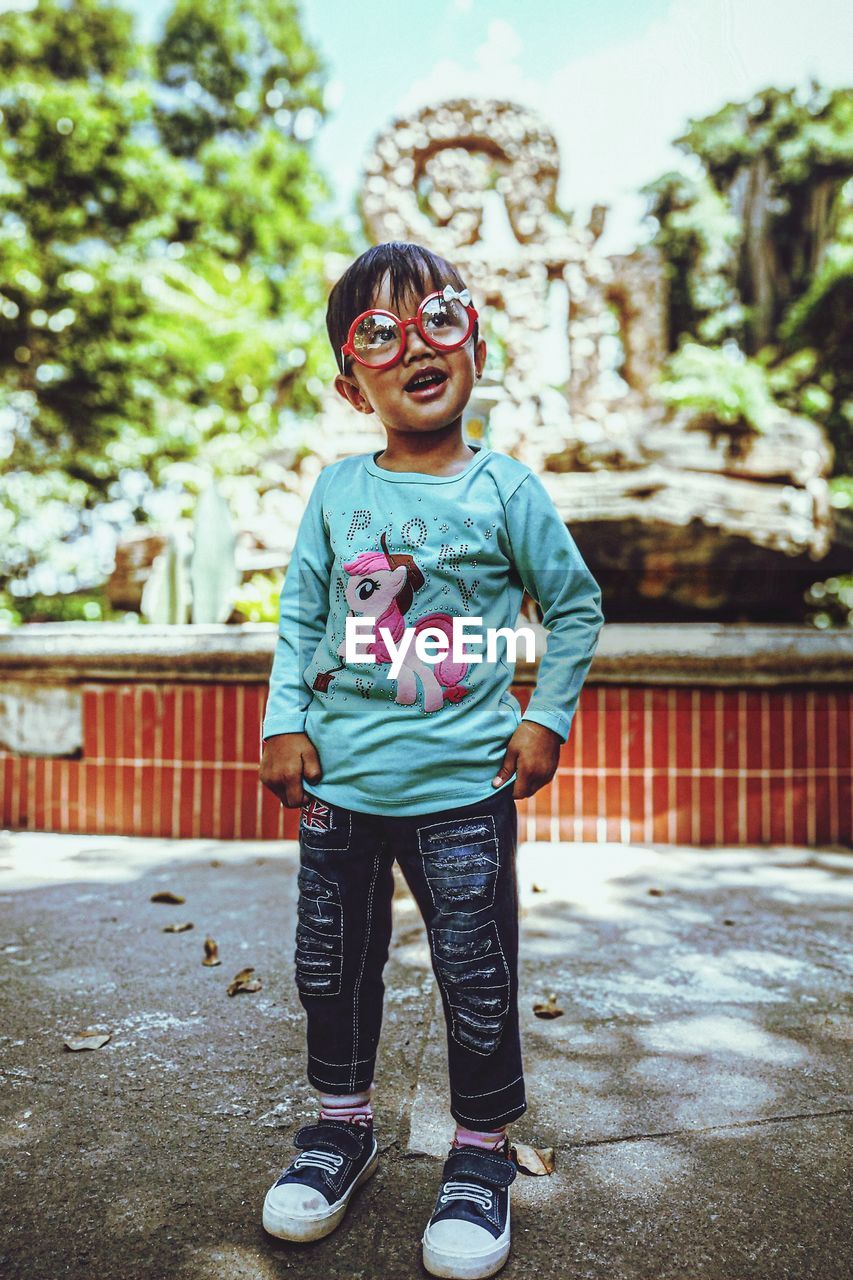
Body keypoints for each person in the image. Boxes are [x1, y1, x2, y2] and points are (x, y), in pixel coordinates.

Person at [259, 241, 604, 1279]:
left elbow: (574, 604)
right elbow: (302, 612)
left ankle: (480, 1151)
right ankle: (339, 1124)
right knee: (330, 963)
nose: (412, 344)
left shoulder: (507, 491)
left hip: (461, 792)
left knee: (476, 971)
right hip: (339, 786)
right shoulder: (336, 490)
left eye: (436, 320)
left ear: (476, 346)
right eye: (378, 331)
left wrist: (545, 715)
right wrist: (284, 717)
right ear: (347, 377)